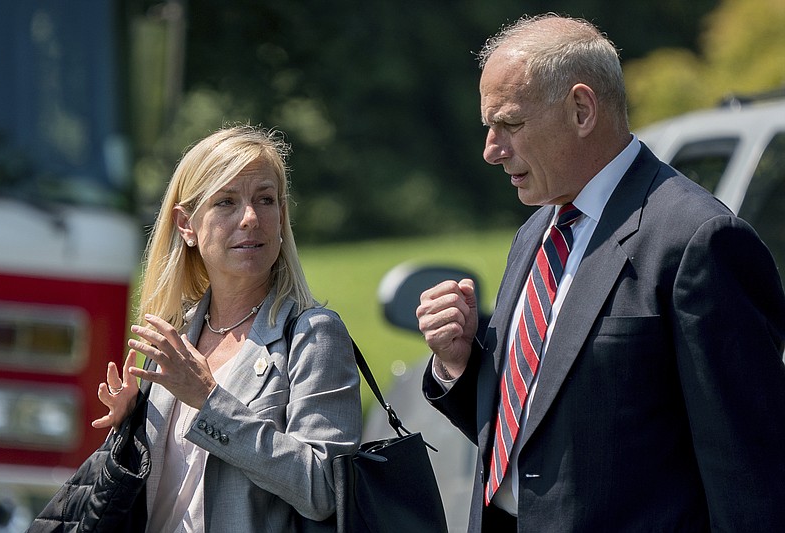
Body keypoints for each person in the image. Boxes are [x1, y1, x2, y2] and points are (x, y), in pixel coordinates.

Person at [417, 13, 785, 532]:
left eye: (511, 124)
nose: (492, 150)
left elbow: (747, 476)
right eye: (489, 128)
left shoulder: (698, 241)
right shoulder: (537, 231)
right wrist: (457, 364)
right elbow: (534, 429)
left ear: (582, 109)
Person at [91, 125, 362, 531]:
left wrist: (209, 400)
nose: (251, 218)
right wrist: (129, 426)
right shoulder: (174, 335)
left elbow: (323, 488)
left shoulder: (314, 335)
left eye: (265, 200)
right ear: (187, 226)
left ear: (281, 215)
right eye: (227, 202)